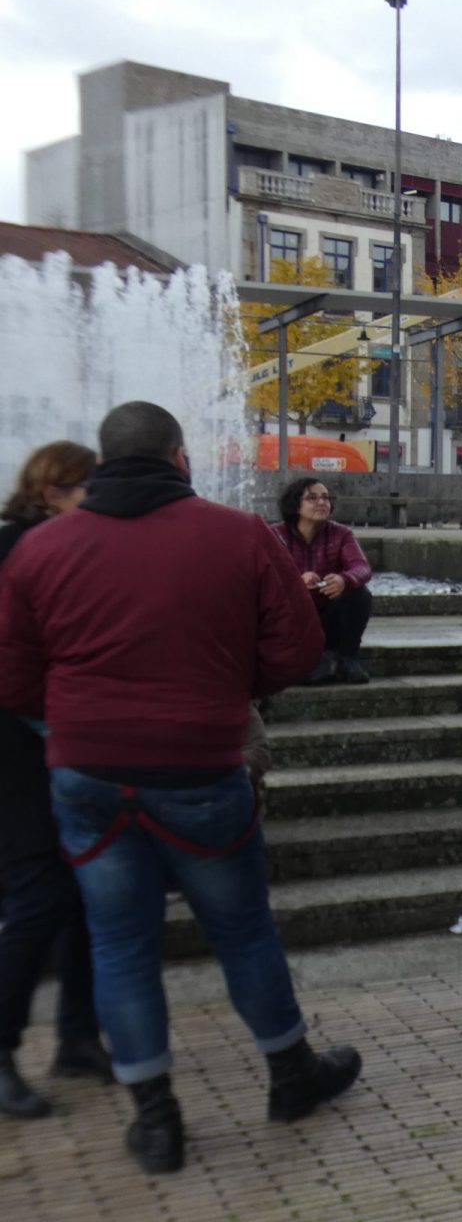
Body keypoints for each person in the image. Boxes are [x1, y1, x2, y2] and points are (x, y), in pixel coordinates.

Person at [0, 402, 359, 1174]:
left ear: (102, 465)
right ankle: (291, 1074)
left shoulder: (40, 549)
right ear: (180, 457)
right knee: (243, 931)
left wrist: (74, 719)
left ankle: (156, 1118)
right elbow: (296, 646)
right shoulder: (236, 536)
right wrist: (230, 689)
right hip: (199, 762)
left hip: (89, 775)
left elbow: (15, 677)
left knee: (119, 944)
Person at [0, 442, 113, 1120]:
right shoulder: (20, 547)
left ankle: (77, 1037)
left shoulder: (53, 543)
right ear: (50, 490)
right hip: (21, 742)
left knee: (82, 892)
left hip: (60, 736)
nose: (95, 503)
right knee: (41, 891)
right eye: (85, 490)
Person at [270, 476, 375, 685]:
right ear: (295, 505)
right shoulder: (275, 535)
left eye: (325, 498)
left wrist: (344, 580)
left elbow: (362, 567)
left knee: (359, 594)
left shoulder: (341, 533)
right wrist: (296, 582)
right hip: (293, 620)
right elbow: (264, 577)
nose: (321, 503)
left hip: (327, 617)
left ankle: (348, 658)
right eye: (312, 498)